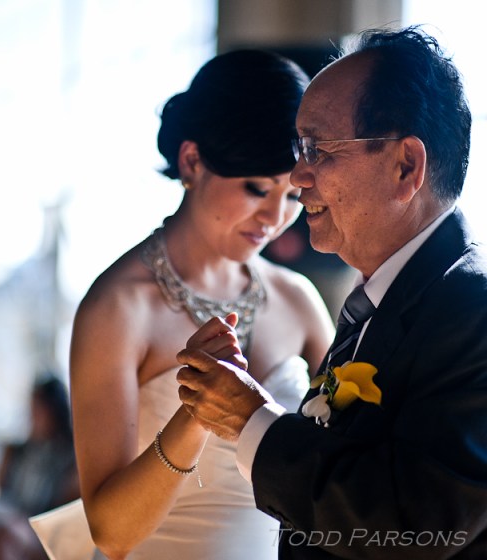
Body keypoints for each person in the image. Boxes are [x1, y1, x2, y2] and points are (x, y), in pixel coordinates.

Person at [177, 25, 487, 558]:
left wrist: (252, 421)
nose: (297, 176)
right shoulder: (378, 300)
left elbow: (416, 527)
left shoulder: (472, 310)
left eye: (317, 149)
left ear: (406, 166)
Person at [68, 49, 334, 560]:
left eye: (291, 195)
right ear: (192, 161)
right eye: (257, 188)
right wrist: (198, 412)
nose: (274, 218)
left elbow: (348, 466)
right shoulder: (118, 308)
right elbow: (111, 534)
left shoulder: (298, 300)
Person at [0, 375, 80, 559]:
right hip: (15, 521)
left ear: (54, 412)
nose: (32, 416)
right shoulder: (16, 451)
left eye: (38, 410)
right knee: (1, 533)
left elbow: (65, 510)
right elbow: (2, 493)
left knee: (5, 534)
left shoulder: (71, 459)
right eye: (31, 409)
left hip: (46, 531)